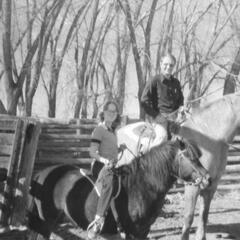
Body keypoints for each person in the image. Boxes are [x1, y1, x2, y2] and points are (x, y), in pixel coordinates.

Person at [87, 101, 125, 239]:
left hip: (112, 166)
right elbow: (92, 152)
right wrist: (104, 161)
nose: (112, 114)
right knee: (109, 183)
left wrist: (119, 149)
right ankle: (98, 221)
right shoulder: (99, 129)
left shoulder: (113, 131)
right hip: (100, 165)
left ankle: (120, 221)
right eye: (109, 111)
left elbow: (110, 151)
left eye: (114, 112)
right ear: (103, 113)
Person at [140, 52, 184, 146]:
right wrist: (156, 116)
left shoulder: (176, 83)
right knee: (162, 137)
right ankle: (149, 159)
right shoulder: (154, 80)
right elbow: (144, 100)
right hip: (159, 120)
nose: (168, 67)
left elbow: (181, 100)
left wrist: (182, 108)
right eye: (166, 64)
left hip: (175, 120)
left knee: (188, 137)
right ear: (160, 64)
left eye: (171, 65)